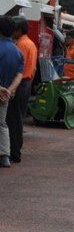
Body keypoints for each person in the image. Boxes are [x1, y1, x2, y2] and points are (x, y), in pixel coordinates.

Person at [7, 16, 37, 163]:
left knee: (13, 120)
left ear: (18, 30)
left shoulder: (20, 46)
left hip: (19, 84)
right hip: (26, 83)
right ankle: (16, 150)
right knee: (18, 119)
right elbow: (34, 68)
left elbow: (17, 69)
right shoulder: (30, 44)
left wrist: (11, 89)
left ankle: (14, 152)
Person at [0, 16, 24, 168]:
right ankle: (4, 156)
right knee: (2, 124)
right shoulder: (17, 52)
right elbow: (19, 75)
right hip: (4, 96)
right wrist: (8, 90)